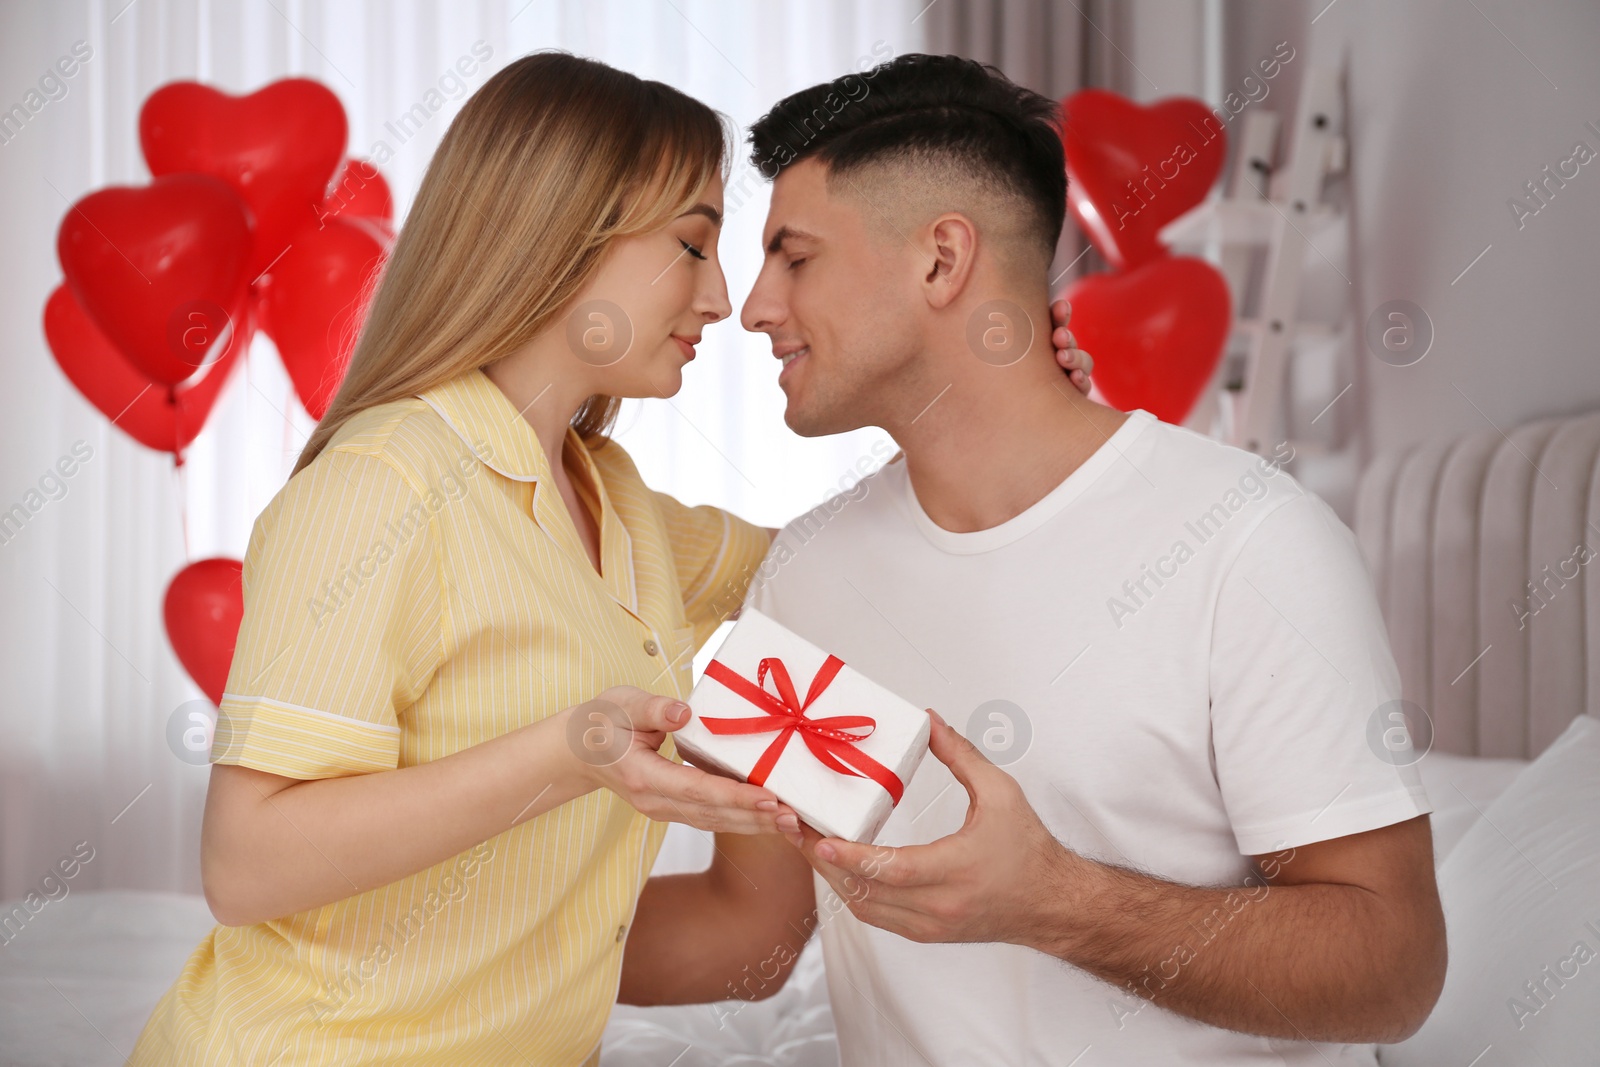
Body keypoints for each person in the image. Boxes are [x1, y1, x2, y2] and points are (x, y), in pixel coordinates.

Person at [128, 52, 1093, 1066]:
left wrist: (1005, 402)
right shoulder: (386, 485)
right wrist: (571, 750)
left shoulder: (615, 501)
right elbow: (245, 862)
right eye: (692, 244)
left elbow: (849, 558)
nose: (722, 299)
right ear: (558, 237)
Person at [618, 54, 1447, 1066]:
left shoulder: (1250, 541)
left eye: (794, 257)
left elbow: (1395, 968)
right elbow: (748, 927)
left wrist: (1058, 901)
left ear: (940, 261)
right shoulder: (804, 571)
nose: (753, 306)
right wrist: (431, 936)